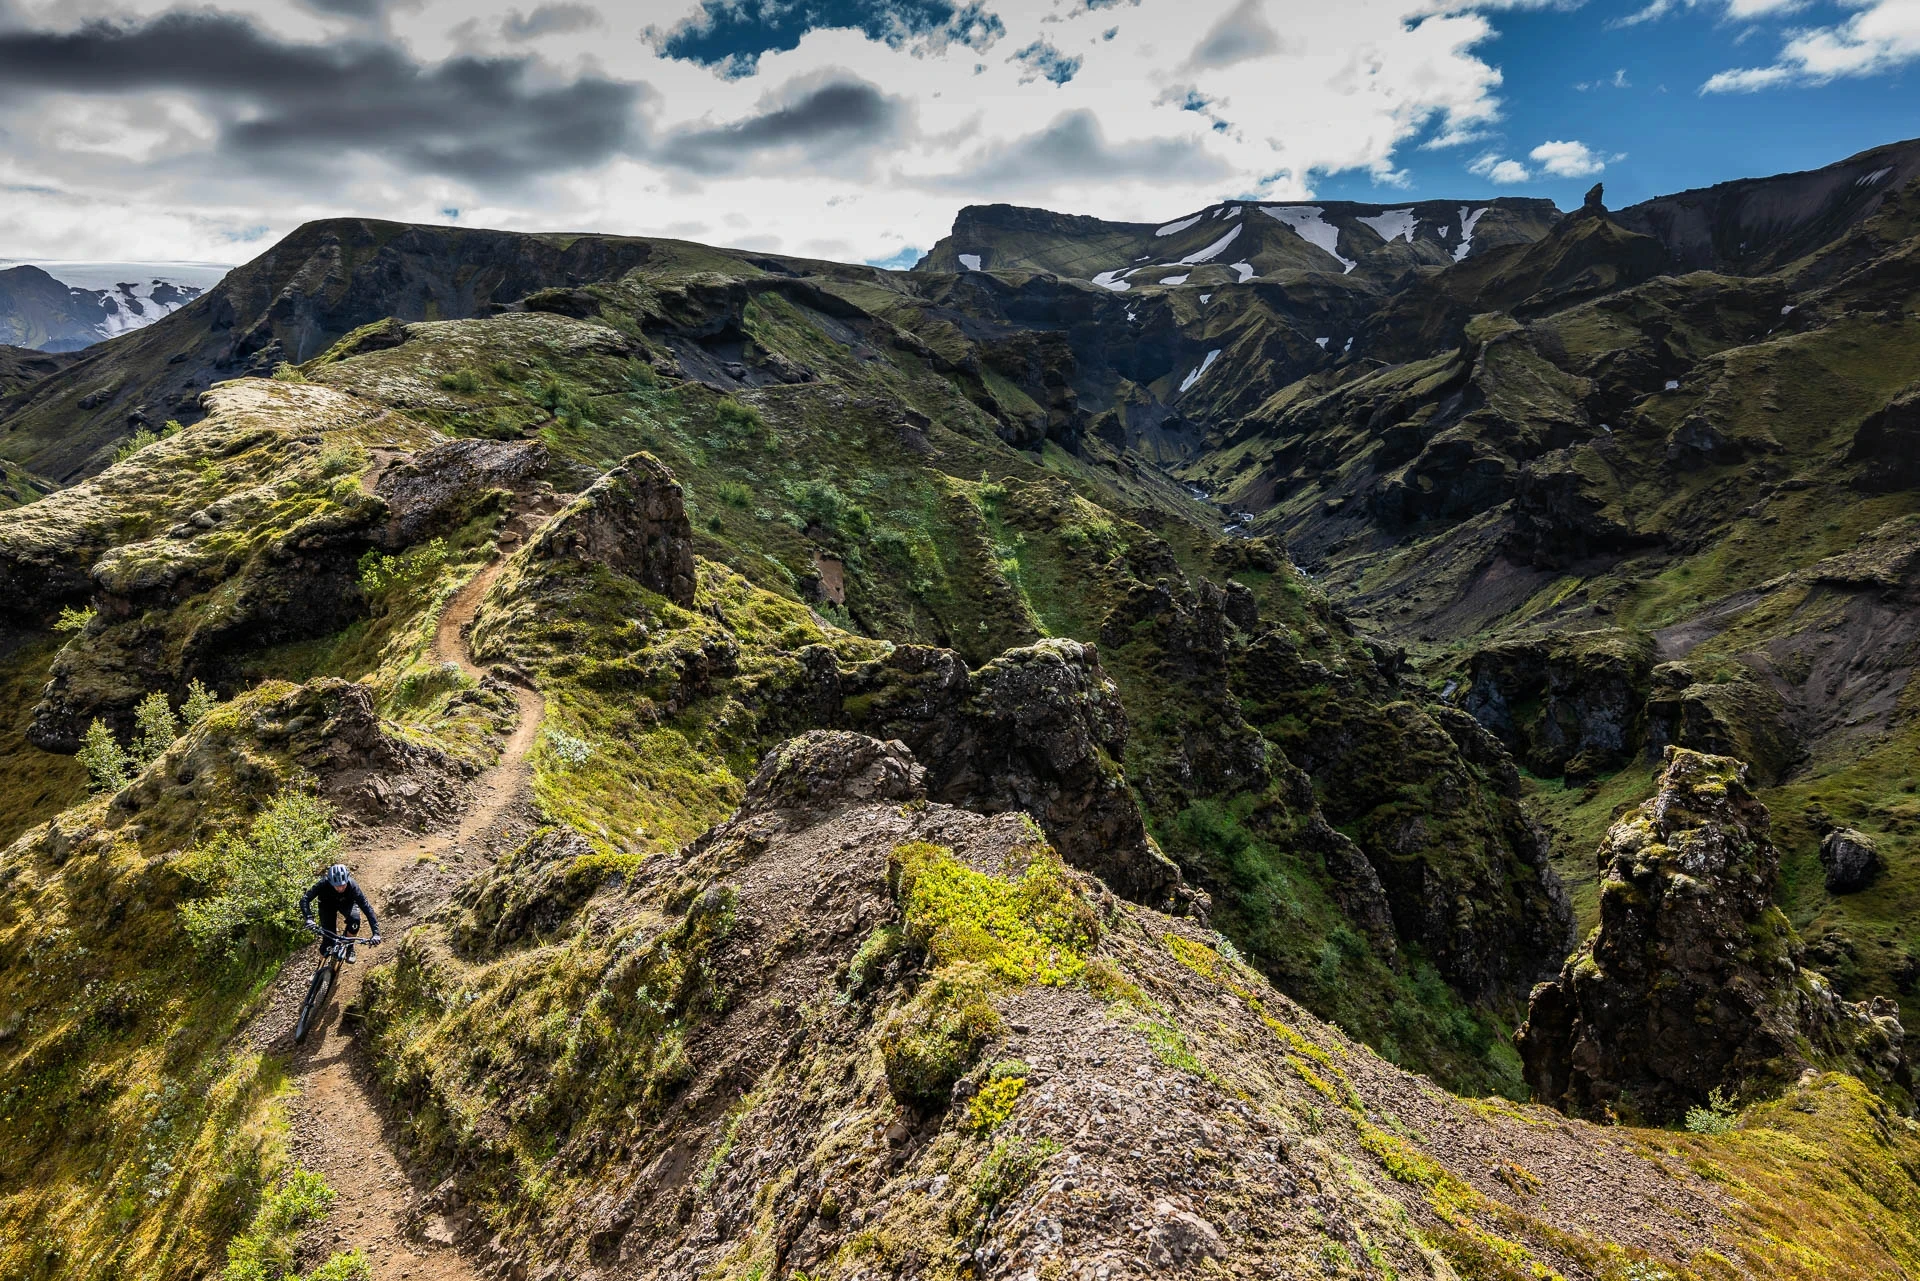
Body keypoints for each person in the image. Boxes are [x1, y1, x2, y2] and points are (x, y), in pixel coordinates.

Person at [300, 863, 382, 946]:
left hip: (346, 903)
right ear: (331, 883)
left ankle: (349, 947)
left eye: (343, 885)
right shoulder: (323, 884)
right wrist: (309, 918)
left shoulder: (353, 886)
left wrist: (376, 933)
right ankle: (321, 958)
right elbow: (305, 899)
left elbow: (367, 909)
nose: (341, 888)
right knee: (328, 942)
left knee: (355, 922)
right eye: (337, 886)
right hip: (327, 906)